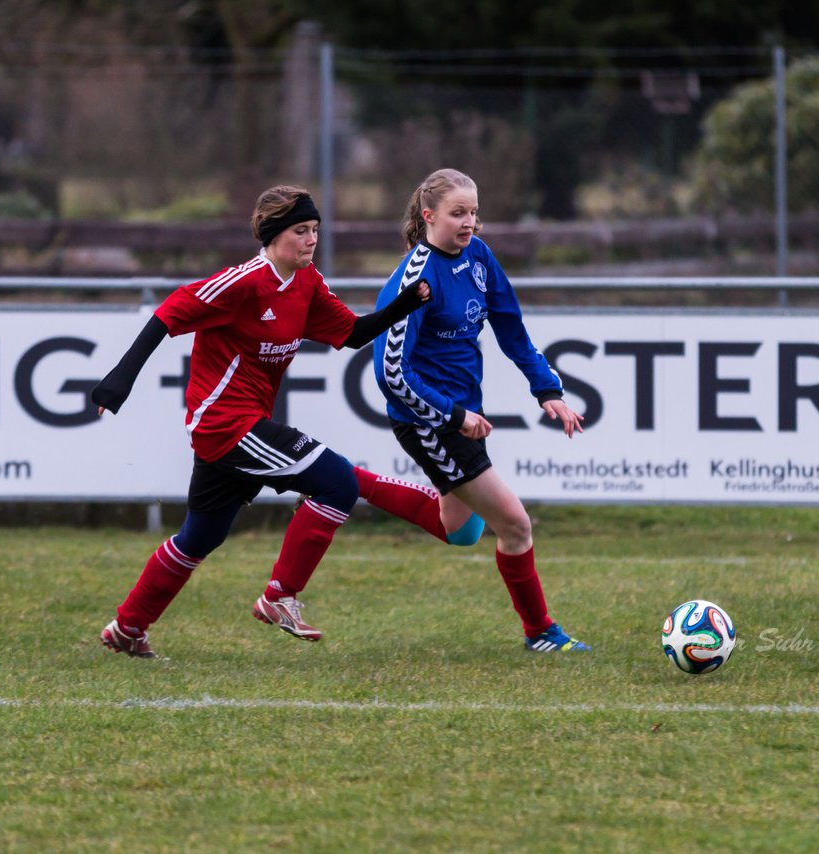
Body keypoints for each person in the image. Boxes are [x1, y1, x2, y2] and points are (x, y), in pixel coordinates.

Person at [91, 185, 455, 657]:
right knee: (338, 483)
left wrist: (404, 304)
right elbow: (169, 312)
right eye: (301, 231)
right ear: (272, 235)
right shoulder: (244, 282)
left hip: (244, 425)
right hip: (223, 424)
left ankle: (126, 628)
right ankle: (280, 596)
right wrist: (120, 379)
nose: (311, 241)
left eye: (315, 231)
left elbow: (350, 334)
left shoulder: (307, 284)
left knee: (199, 536)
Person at [372, 168, 591, 653]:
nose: (469, 222)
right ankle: (541, 633)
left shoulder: (477, 256)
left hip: (466, 415)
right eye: (458, 213)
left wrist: (546, 389)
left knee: (461, 531)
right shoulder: (415, 281)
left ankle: (353, 482)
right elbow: (391, 376)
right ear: (429, 216)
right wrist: (452, 416)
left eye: (474, 212)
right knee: (514, 525)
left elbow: (510, 326)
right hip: (430, 421)